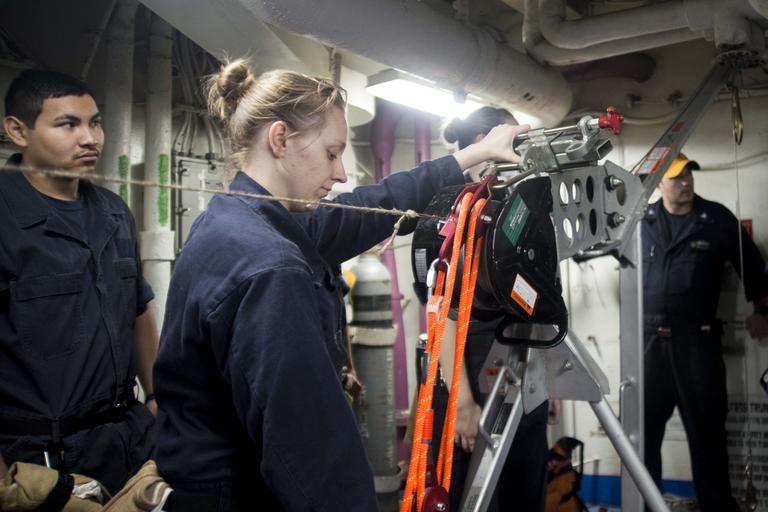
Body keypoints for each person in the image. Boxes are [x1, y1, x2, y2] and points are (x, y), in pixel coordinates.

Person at [151, 59, 529, 511]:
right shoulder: (270, 266)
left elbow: (370, 206)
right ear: (280, 139)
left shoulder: (235, 221)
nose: (342, 173)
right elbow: (310, 450)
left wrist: (471, 155)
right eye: (332, 153)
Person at [0, 70, 159, 494]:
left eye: (95, 122)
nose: (90, 138)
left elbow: (138, 309)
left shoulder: (114, 212)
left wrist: (155, 395)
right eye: (68, 124)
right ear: (18, 131)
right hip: (40, 456)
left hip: (128, 438)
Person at [422, 106, 558, 511]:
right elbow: (442, 313)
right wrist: (462, 403)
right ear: (484, 143)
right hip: (473, 374)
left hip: (524, 369)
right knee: (479, 497)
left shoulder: (520, 209)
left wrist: (547, 381)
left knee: (526, 496)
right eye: (514, 141)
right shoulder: (454, 211)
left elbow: (544, 300)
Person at [642, 154, 768, 511]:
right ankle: (646, 505)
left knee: (708, 438)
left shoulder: (716, 219)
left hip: (696, 344)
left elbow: (753, 266)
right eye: (677, 177)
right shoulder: (641, 220)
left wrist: (762, 310)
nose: (686, 183)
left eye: (689, 175)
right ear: (660, 183)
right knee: (641, 437)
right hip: (648, 347)